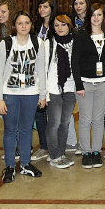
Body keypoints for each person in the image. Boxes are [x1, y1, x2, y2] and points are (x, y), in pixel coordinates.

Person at [0, 10, 48, 183]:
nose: (23, 26)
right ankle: (10, 166)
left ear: (31, 25)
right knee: (10, 130)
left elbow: (41, 70)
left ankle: (25, 163)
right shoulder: (6, 43)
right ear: (14, 25)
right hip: (10, 93)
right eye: (20, 23)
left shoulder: (38, 43)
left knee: (26, 129)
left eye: (27, 23)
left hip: (31, 93)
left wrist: (42, 95)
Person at [72, 3, 105, 169]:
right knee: (85, 119)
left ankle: (96, 151)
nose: (96, 18)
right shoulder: (81, 35)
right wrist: (78, 84)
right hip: (85, 84)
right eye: (93, 15)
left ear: (103, 17)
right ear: (89, 16)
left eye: (99, 14)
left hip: (104, 83)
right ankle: (86, 152)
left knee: (99, 119)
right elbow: (74, 61)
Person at [45, 15, 77, 169]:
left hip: (70, 88)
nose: (60, 28)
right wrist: (44, 93)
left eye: (63, 25)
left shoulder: (75, 42)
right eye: (57, 25)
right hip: (53, 88)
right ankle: (54, 155)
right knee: (54, 123)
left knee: (65, 123)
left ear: (69, 26)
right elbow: (43, 68)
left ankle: (61, 152)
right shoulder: (49, 43)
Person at [31, 0, 57, 162]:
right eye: (40, 7)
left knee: (54, 114)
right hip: (37, 75)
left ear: (52, 8)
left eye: (45, 7)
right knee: (39, 112)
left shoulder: (58, 26)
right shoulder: (36, 27)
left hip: (53, 75)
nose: (42, 10)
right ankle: (44, 146)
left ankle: (56, 146)